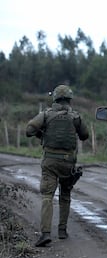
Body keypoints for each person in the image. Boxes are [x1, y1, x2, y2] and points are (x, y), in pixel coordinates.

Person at [26, 84, 89, 247]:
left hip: (50, 162)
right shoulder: (75, 116)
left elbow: (29, 130)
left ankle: (46, 233)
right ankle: (62, 230)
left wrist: (43, 134)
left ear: (55, 98)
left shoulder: (46, 114)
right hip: (68, 162)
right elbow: (85, 136)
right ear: (69, 99)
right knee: (65, 196)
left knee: (47, 196)